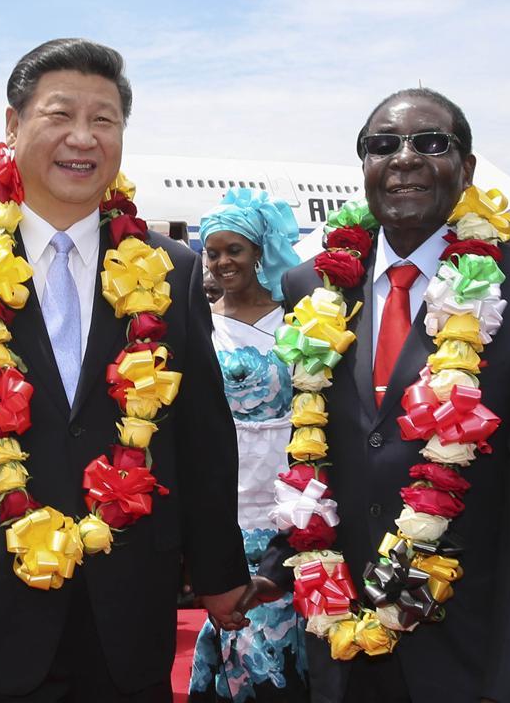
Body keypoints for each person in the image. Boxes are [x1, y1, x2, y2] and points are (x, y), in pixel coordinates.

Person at [0, 38, 250, 702]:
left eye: (104, 120)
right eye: (60, 115)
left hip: (129, 603)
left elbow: (201, 437)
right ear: (12, 125)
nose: (82, 138)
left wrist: (221, 570)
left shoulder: (172, 270)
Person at [244, 88, 510, 703]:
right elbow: (315, 453)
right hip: (338, 641)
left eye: (431, 143)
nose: (403, 159)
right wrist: (282, 560)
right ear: (365, 166)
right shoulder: (313, 288)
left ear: (469, 168)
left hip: (469, 651)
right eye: (382, 146)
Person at [190, 188, 306, 702]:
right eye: (212, 252)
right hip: (222, 492)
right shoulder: (197, 326)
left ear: (259, 250)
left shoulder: (299, 323)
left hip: (287, 498)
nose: (221, 262)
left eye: (233, 249)